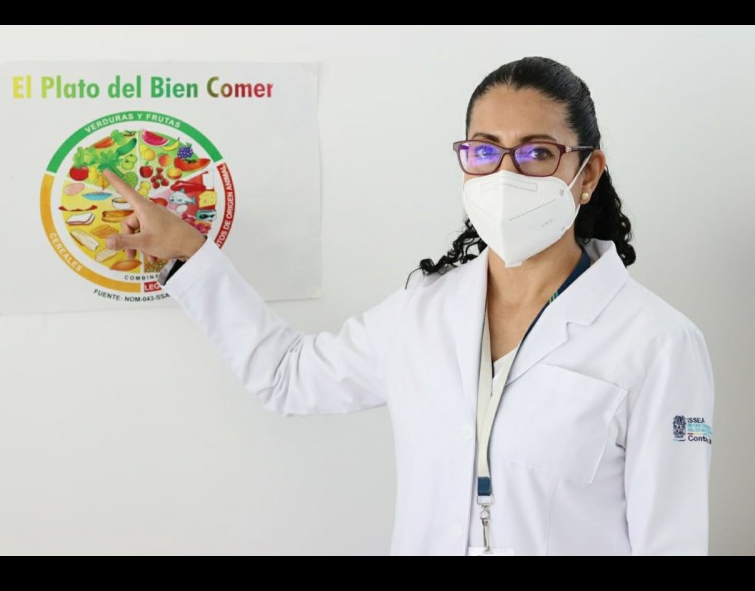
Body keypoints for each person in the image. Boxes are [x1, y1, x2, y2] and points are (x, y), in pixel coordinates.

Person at [102, 56, 714, 556]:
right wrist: (188, 252)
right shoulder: (424, 311)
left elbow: (672, 541)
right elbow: (287, 376)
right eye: (485, 151)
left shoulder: (657, 343)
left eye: (536, 153)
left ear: (588, 172)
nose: (505, 175)